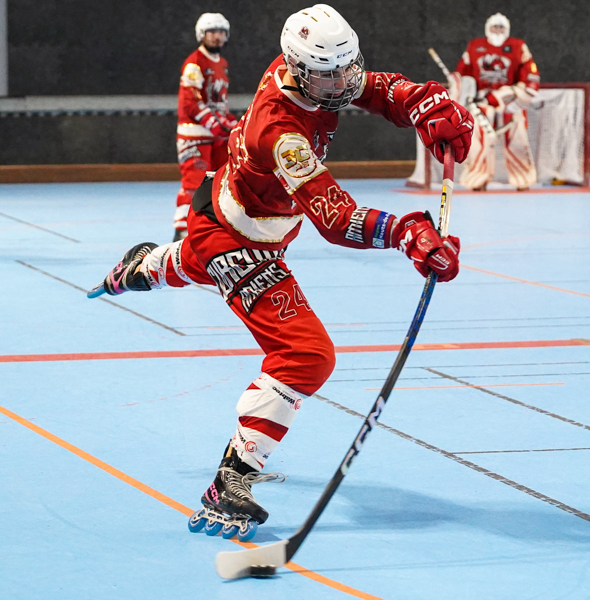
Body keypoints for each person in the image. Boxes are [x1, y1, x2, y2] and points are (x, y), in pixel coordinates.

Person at [87, 4, 473, 541]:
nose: (342, 83)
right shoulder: (283, 131)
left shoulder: (317, 73)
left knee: (197, 260)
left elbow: (372, 88)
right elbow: (336, 220)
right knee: (306, 354)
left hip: (235, 215)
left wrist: (424, 103)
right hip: (237, 238)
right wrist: (407, 232)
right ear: (298, 69)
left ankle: (143, 266)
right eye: (329, 74)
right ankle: (231, 480)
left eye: (347, 66)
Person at [452, 13, 540, 191]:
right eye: (494, 27)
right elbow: (463, 73)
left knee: (517, 141)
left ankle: (523, 180)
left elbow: (530, 75)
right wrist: (458, 84)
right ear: (487, 28)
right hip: (481, 104)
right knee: (477, 143)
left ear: (507, 29)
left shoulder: (518, 46)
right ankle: (477, 180)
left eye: (501, 27)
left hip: (509, 102)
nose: (497, 31)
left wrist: (512, 95)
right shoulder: (474, 46)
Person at [173, 13, 238, 242]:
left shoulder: (223, 64)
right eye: (212, 32)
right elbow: (190, 100)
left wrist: (232, 122)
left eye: (221, 32)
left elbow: (219, 102)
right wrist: (213, 122)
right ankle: (182, 231)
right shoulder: (195, 63)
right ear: (202, 35)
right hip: (195, 136)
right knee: (194, 181)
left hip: (216, 136)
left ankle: (212, 228)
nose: (217, 37)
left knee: (222, 181)